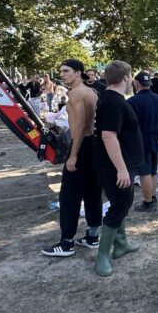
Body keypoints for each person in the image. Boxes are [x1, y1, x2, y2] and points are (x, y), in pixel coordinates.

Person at [41, 59, 103, 257]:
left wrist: (73, 155)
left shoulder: (76, 94)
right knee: (93, 191)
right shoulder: (91, 91)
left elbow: (79, 128)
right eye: (61, 71)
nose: (63, 74)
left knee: (69, 196)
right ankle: (93, 236)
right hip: (94, 146)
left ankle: (66, 243)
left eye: (66, 71)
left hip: (82, 146)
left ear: (78, 73)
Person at [92, 60, 144, 277]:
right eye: (130, 76)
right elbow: (108, 136)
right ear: (125, 77)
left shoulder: (107, 97)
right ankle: (102, 255)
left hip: (115, 163)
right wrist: (121, 169)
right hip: (116, 166)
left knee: (118, 203)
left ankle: (121, 244)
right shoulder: (114, 102)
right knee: (121, 204)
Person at [128, 71, 158, 212]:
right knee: (153, 171)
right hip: (156, 138)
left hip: (141, 140)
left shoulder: (132, 101)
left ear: (136, 84)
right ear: (149, 84)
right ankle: (152, 197)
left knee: (144, 173)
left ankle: (148, 202)